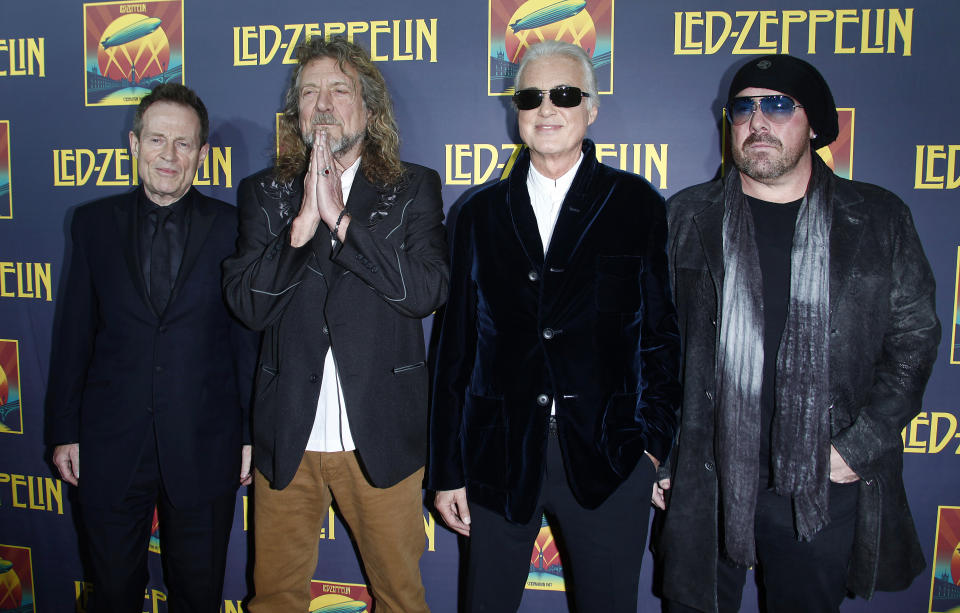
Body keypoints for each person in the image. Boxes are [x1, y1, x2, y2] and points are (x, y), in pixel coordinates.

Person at [655, 54, 940, 613]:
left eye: (779, 105)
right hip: (707, 478)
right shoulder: (686, 217)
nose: (757, 122)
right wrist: (661, 456)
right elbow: (654, 347)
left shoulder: (878, 219)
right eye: (743, 108)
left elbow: (914, 342)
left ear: (814, 124)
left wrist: (854, 449)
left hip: (821, 478)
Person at [428, 40, 681, 612]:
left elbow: (662, 336)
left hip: (611, 459)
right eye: (531, 96)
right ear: (516, 111)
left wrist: (654, 447)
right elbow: (454, 350)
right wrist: (447, 469)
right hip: (498, 456)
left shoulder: (635, 203)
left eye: (564, 95)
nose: (547, 109)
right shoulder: (477, 212)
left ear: (591, 109)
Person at [222, 36, 448, 613]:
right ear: (296, 112)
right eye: (309, 92)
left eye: (338, 89)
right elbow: (249, 306)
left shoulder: (412, 188)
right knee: (274, 599)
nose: (322, 103)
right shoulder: (264, 194)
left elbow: (424, 292)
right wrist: (301, 225)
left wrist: (342, 221)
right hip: (286, 438)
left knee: (401, 597)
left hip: (380, 436)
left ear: (368, 110)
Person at [45, 83, 257, 612]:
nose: (169, 156)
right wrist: (63, 429)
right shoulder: (92, 224)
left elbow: (246, 339)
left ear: (201, 155)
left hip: (205, 445)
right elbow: (74, 333)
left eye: (183, 144)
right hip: (110, 443)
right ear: (134, 144)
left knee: (199, 594)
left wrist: (252, 433)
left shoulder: (235, 229)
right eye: (157, 140)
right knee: (113, 593)